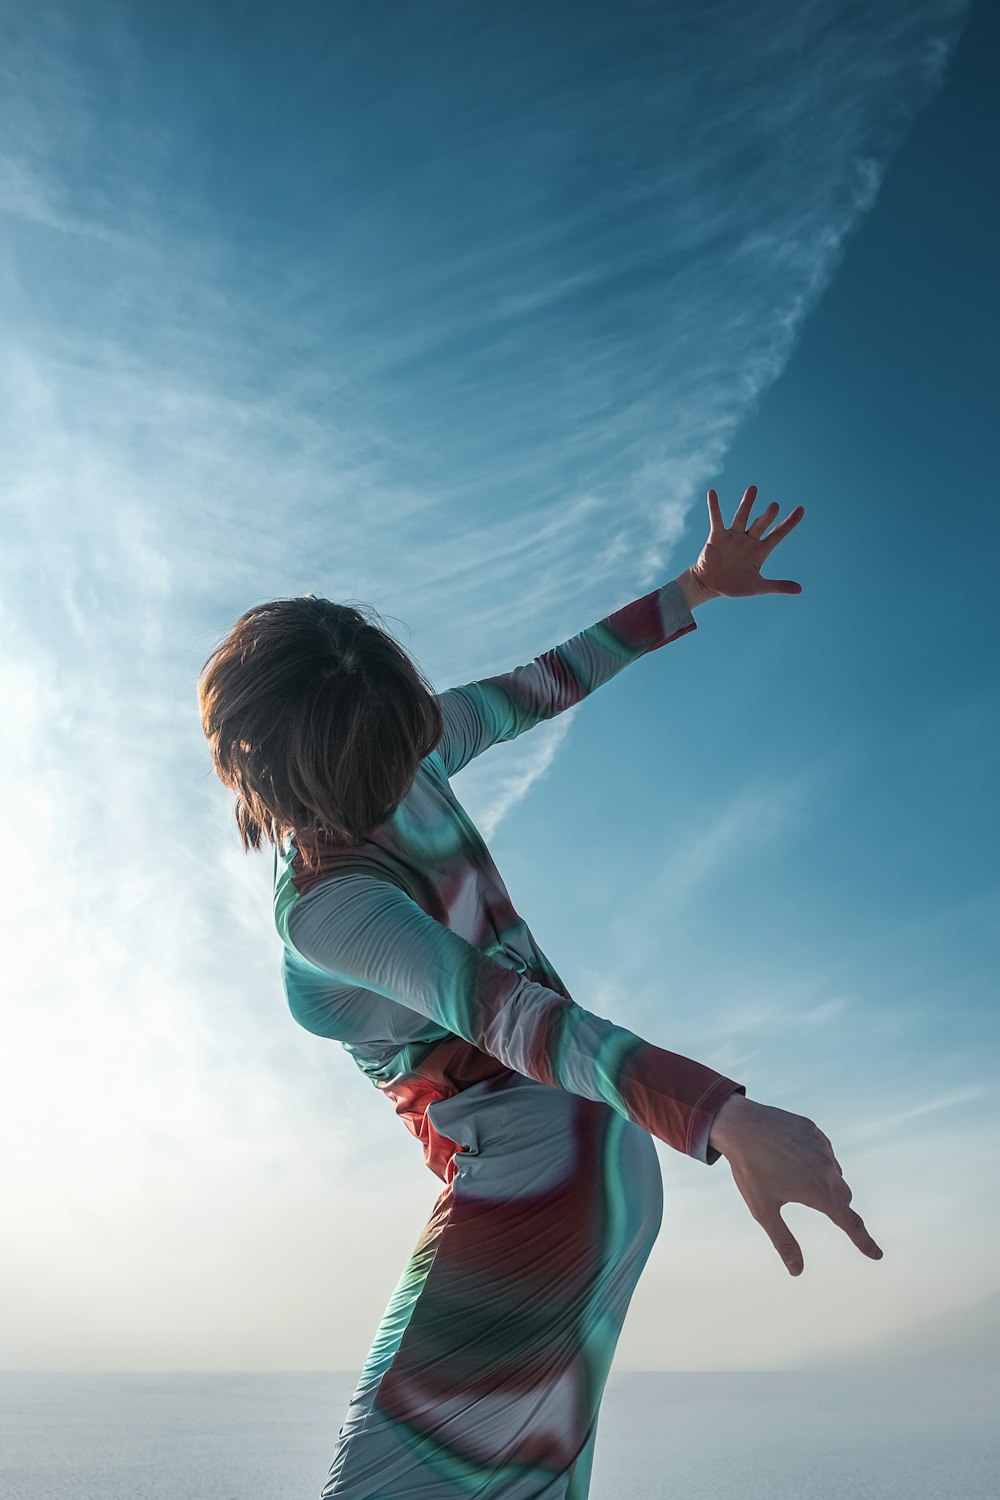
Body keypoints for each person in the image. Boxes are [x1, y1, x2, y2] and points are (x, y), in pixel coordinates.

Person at [198, 484, 883, 1499]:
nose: (414, 763)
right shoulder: (392, 788)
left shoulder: (333, 894)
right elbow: (540, 686)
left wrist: (692, 588)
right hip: (594, 1161)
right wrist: (712, 1117)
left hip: (539, 1179)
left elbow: (511, 1014)